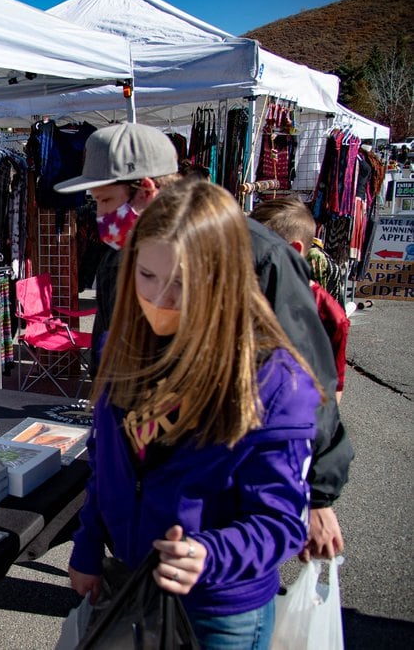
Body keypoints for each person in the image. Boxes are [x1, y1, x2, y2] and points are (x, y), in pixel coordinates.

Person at [55, 122, 352, 562]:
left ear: (145, 191)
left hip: (218, 516)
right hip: (143, 510)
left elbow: (309, 374)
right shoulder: (122, 260)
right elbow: (114, 376)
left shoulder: (257, 253)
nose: (99, 218)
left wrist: (319, 491)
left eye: (105, 201)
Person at [67, 179, 322, 648]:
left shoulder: (270, 378)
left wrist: (210, 553)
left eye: (182, 283)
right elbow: (106, 458)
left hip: (219, 607)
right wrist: (87, 546)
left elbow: (283, 519)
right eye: (146, 276)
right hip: (131, 578)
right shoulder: (122, 344)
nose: (159, 300)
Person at [250, 197, 350, 403]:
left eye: (256, 249)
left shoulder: (328, 313)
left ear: (293, 250)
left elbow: (333, 388)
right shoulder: (245, 292)